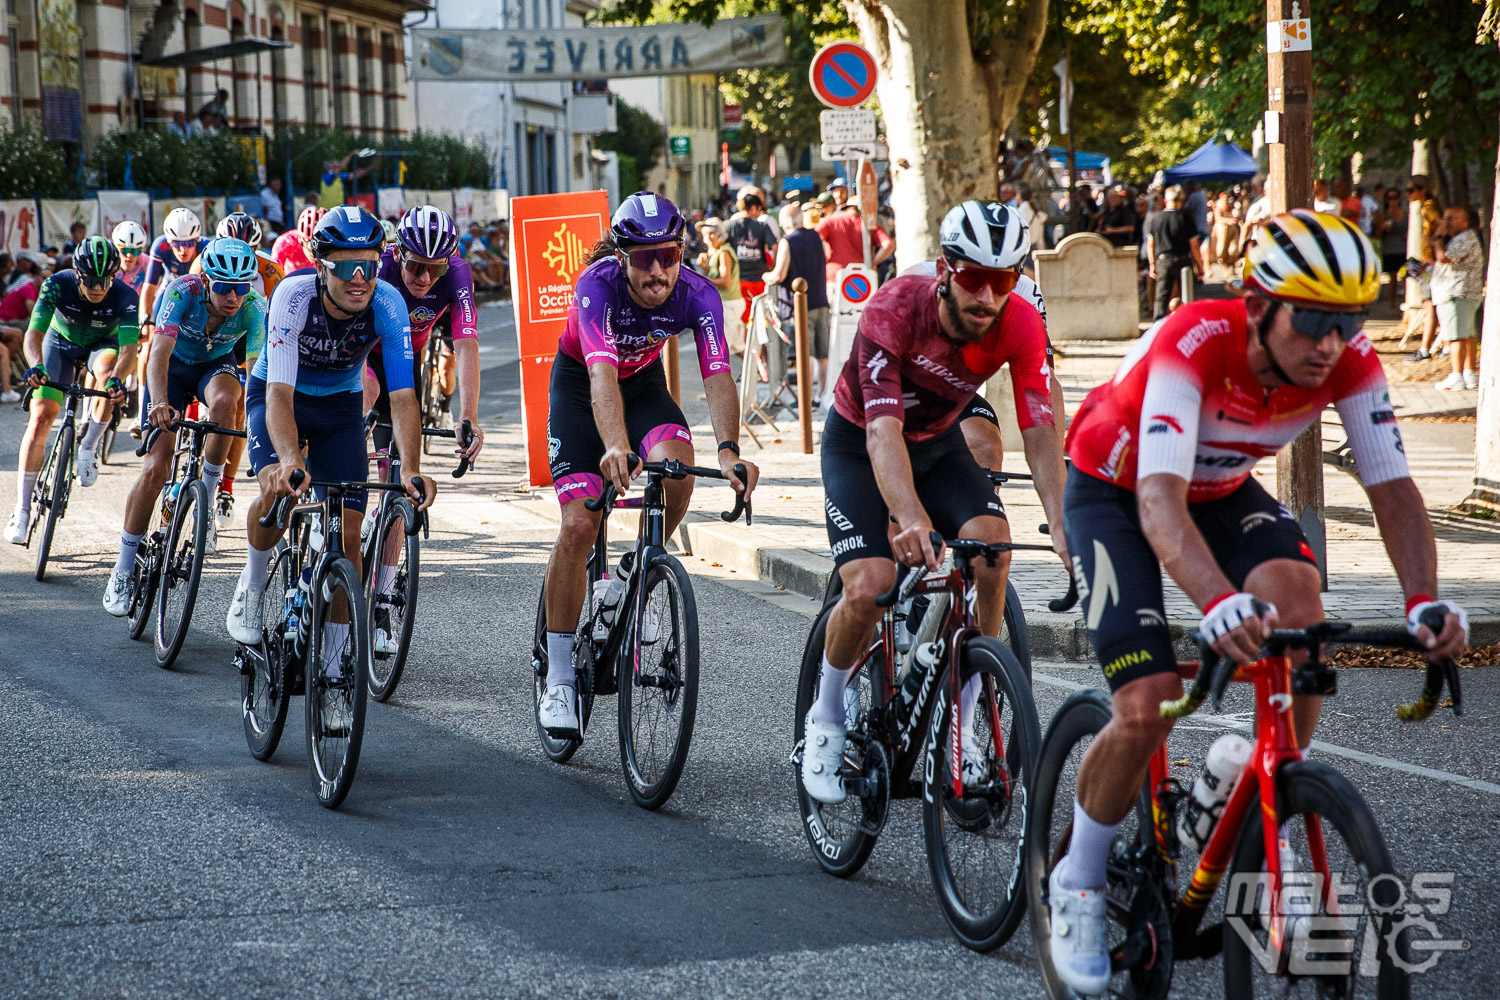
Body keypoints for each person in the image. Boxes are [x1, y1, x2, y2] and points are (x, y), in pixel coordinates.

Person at [1043, 210, 1469, 995]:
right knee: (1147, 702)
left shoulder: (1349, 362)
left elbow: (1396, 492)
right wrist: (1214, 603)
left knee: (1299, 611)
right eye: (1311, 320)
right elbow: (1160, 509)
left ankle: (1272, 798)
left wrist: (1423, 602)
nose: (1330, 343)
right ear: (1258, 303)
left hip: (1222, 489)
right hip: (1117, 488)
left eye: (1348, 321)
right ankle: (1077, 877)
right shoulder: (1193, 342)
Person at [800, 200, 1066, 805]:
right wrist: (911, 514)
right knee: (869, 585)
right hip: (860, 442)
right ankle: (826, 716)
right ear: (946, 269)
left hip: (937, 442)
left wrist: (1061, 519)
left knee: (992, 550)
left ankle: (963, 724)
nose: (988, 296)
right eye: (974, 278)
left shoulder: (1019, 320)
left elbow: (1042, 427)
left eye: (1003, 281)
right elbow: (880, 433)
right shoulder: (894, 307)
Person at [537, 192, 758, 737]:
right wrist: (614, 445)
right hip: (581, 389)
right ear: (621, 257)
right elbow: (600, 378)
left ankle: (635, 567)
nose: (658, 270)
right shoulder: (596, 287)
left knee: (678, 470)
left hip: (643, 389)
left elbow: (715, 374)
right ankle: (561, 674)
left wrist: (729, 451)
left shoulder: (698, 293)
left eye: (669, 255)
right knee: (580, 523)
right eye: (644, 258)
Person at [225, 206, 433, 646]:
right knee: (275, 486)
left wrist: (411, 468)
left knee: (350, 534)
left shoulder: (389, 304)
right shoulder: (292, 295)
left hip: (340, 406)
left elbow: (403, 397)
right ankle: (254, 582)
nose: (359, 277)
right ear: (321, 267)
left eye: (370, 265)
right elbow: (279, 395)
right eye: (345, 266)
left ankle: (338, 665)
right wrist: (288, 459)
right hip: (282, 395)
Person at [102, 240, 265, 612]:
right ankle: (124, 567)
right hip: (171, 371)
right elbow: (157, 353)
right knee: (156, 467)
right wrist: (159, 403)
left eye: (242, 288)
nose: (233, 297)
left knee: (229, 400)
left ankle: (206, 494)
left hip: (214, 367)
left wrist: (261, 422)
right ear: (206, 280)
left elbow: (256, 371)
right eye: (224, 287)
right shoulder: (182, 291)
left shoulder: (255, 307)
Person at [5, 239, 136, 543]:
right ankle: (22, 511)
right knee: (41, 417)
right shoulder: (55, 284)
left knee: (107, 376)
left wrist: (118, 379)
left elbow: (129, 349)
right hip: (60, 345)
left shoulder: (126, 296)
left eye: (105, 280)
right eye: (90, 279)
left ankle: (88, 445)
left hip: (101, 346)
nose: (98, 286)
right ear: (77, 273)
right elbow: (34, 332)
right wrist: (36, 366)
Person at [763, 202, 830, 398]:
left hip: (798, 307)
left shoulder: (787, 241)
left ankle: (806, 397)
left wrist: (766, 276)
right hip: (821, 300)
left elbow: (780, 274)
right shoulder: (816, 236)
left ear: (785, 223)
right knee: (823, 354)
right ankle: (822, 394)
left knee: (804, 354)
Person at [1431, 206, 1484, 391]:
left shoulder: (1465, 238)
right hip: (1463, 293)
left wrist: (1438, 237)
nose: (1446, 223)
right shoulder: (1463, 239)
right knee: (1467, 334)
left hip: (1457, 294)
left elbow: (1443, 257)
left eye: (1451, 218)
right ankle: (1469, 373)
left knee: (1456, 337)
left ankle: (1457, 375)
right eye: (1444, 218)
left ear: (1465, 221)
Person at [1146, 185, 1202, 320]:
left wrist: (1152, 264)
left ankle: (1158, 324)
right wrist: (1200, 265)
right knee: (1186, 295)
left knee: (1161, 297)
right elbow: (1194, 246)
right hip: (1183, 260)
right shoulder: (1186, 219)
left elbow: (1150, 245)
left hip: (1163, 260)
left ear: (1166, 201)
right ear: (1181, 201)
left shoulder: (1156, 219)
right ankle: (1187, 321)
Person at [1405, 175, 1443, 361]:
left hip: (1430, 264)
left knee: (1429, 306)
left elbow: (1439, 224)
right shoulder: (1426, 206)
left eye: (1411, 190)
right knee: (1431, 306)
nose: (1408, 194)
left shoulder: (1428, 206)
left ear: (1423, 189)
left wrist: (1435, 243)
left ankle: (1425, 348)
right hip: (1428, 261)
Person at [725, 190, 776, 324]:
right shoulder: (761, 226)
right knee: (761, 320)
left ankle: (744, 345)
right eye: (758, 210)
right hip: (759, 279)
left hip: (738, 280)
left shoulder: (729, 226)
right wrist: (773, 267)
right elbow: (775, 247)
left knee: (742, 321)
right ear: (753, 207)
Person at [696, 218, 743, 355]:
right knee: (738, 347)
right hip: (728, 303)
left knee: (720, 348)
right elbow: (717, 278)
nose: (709, 238)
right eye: (706, 234)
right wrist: (705, 268)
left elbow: (725, 283)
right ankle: (760, 372)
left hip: (729, 304)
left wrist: (701, 278)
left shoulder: (723, 253)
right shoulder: (717, 252)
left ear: (720, 234)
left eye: (712, 233)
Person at [1377, 187, 1408, 310]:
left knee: (1409, 275)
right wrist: (1382, 228)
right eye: (1390, 198)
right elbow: (1377, 234)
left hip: (1405, 250)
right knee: (1393, 277)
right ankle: (1392, 305)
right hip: (1389, 249)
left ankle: (1408, 301)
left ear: (1399, 199)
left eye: (1395, 197)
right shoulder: (1382, 215)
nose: (1393, 201)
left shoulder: (1406, 214)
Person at [271, 205, 323, 275]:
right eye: (308, 243)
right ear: (299, 238)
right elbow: (273, 274)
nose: (312, 250)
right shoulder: (286, 242)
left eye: (317, 245)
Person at [111, 221, 150, 294]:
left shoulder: (147, 263)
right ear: (116, 248)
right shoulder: (108, 262)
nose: (129, 255)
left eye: (135, 251)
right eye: (125, 250)